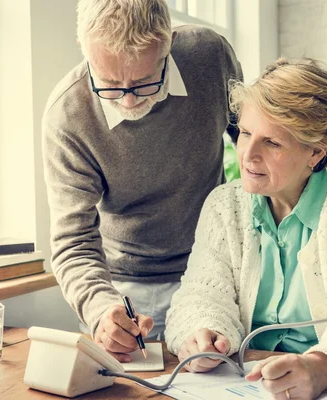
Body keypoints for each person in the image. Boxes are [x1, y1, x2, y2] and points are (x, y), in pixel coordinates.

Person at [164, 58, 327, 399]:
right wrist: (203, 331)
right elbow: (200, 296)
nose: (247, 154)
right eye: (246, 133)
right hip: (241, 386)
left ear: (315, 153)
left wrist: (322, 366)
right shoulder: (223, 205)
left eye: (272, 143)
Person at [42, 0, 243, 362]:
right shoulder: (68, 116)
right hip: (127, 289)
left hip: (216, 273)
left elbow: (251, 140)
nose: (129, 100)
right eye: (109, 84)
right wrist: (102, 311)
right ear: (85, 49)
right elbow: (73, 240)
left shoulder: (209, 58)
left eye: (143, 82)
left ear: (167, 44)